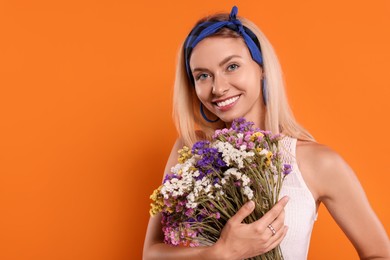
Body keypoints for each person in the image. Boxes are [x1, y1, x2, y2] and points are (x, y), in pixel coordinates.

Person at [143, 6, 390, 260]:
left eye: (231, 67)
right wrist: (220, 253)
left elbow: (380, 254)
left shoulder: (316, 162)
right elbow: (151, 254)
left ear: (261, 68)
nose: (217, 88)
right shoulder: (191, 149)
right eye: (203, 75)